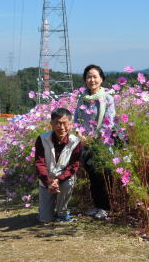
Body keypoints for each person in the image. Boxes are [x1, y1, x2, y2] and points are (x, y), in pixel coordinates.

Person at [74, 64, 116, 220]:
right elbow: (76, 119)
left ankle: (106, 208)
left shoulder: (107, 98)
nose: (92, 80)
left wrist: (94, 138)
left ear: (102, 79)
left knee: (102, 175)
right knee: (92, 175)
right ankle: (97, 206)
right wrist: (79, 135)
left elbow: (109, 122)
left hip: (102, 142)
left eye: (95, 76)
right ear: (85, 80)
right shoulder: (82, 99)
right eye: (88, 77)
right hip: (85, 143)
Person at [35, 108, 82, 223]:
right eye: (57, 123)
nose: (61, 127)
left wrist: (58, 180)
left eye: (65, 123)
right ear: (51, 124)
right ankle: (47, 210)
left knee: (68, 183)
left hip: (64, 178)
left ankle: (62, 212)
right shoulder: (42, 139)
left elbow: (73, 166)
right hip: (46, 179)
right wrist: (49, 182)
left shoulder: (75, 142)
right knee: (45, 219)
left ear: (70, 124)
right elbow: (39, 163)